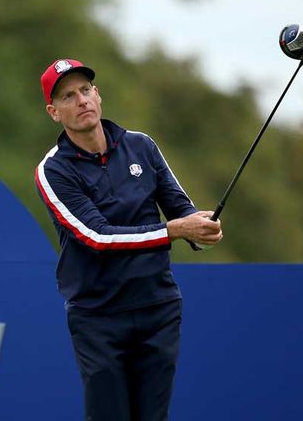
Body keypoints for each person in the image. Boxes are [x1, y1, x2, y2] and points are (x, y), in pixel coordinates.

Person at [34, 58, 223, 421]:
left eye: (86, 90)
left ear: (98, 95)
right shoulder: (53, 170)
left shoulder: (141, 146)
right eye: (68, 96)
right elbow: (98, 238)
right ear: (53, 112)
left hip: (157, 306)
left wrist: (203, 228)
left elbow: (180, 208)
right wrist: (175, 231)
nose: (82, 101)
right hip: (98, 315)